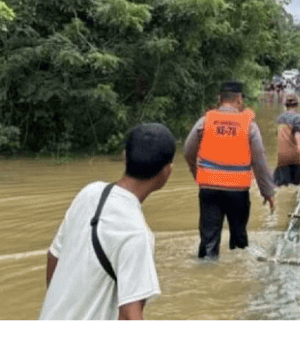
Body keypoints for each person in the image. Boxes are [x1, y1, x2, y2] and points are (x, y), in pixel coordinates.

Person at [39, 123, 176, 320]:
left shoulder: (89, 193)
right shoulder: (137, 234)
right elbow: (130, 315)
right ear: (167, 172)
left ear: (124, 157)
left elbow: (53, 256)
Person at [184, 81, 275, 259]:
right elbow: (260, 161)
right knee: (240, 242)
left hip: (209, 189)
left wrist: (198, 174)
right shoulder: (249, 125)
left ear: (220, 99)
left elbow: (188, 151)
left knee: (208, 242)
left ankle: (207, 270)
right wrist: (268, 192)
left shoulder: (205, 121)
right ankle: (237, 271)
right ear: (239, 100)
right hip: (238, 192)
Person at [273, 94, 300, 186]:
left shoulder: (279, 118)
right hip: (294, 158)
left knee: (283, 185)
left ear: (285, 105)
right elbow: (298, 136)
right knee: (297, 186)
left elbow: (278, 136)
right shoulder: (297, 118)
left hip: (282, 157)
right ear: (296, 105)